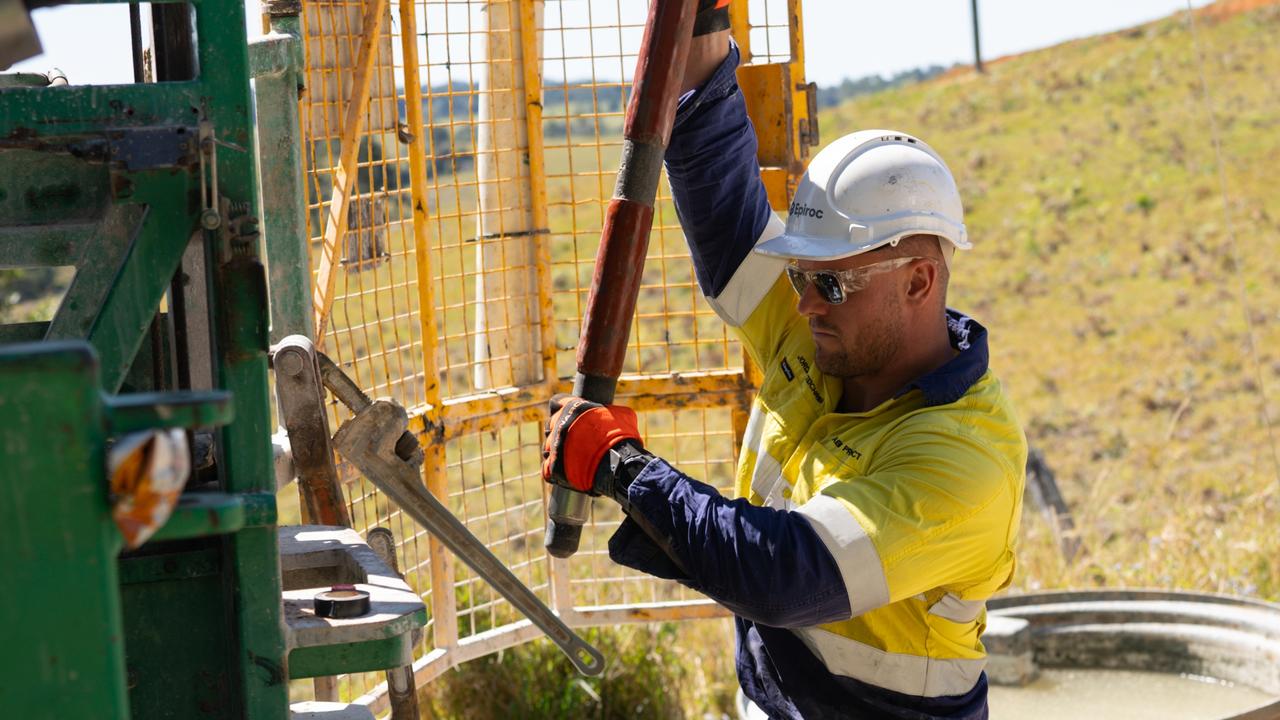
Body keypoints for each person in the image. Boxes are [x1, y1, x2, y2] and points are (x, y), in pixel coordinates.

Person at [542, 6, 1026, 718]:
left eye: (829, 283)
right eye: (800, 277)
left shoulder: (965, 462)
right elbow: (730, 221)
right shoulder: (832, 334)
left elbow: (785, 571)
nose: (803, 306)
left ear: (919, 281)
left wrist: (623, 467)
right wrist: (700, 45)